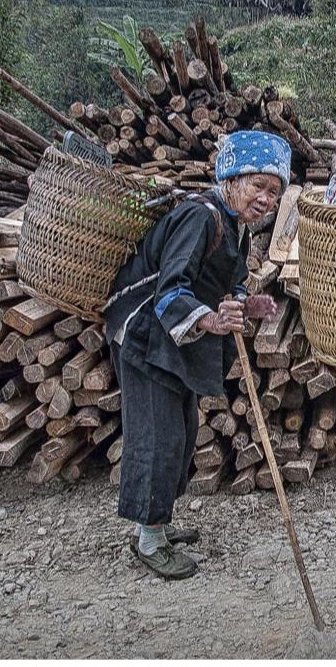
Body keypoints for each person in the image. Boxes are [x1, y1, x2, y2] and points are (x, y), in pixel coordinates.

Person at [103, 131, 291, 578]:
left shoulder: (235, 226)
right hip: (145, 338)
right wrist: (209, 320)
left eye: (275, 191)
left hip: (168, 342)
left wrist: (248, 304)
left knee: (183, 433)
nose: (266, 199)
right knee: (159, 435)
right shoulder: (200, 217)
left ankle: (159, 527)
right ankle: (148, 541)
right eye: (258, 186)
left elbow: (226, 285)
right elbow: (171, 292)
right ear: (232, 178)